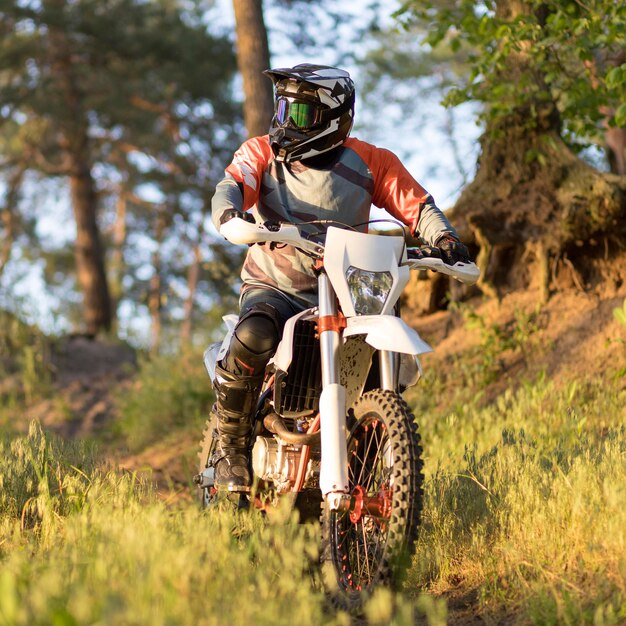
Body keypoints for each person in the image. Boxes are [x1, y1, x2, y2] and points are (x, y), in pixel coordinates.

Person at [210, 63, 470, 491]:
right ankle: (231, 451)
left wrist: (444, 238)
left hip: (353, 293)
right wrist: (230, 213)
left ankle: (370, 475)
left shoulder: (372, 162)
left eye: (297, 113)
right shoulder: (261, 153)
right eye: (282, 109)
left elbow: (417, 205)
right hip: (277, 287)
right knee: (255, 334)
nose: (283, 122)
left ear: (331, 116)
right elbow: (233, 183)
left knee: (378, 366)